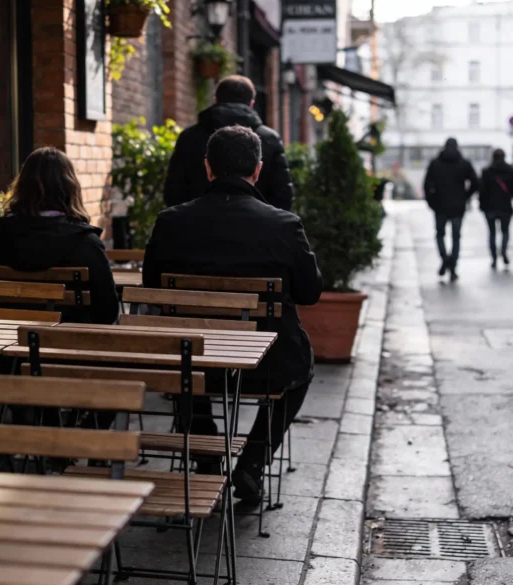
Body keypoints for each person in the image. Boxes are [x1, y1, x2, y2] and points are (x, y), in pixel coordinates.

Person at [144, 125, 322, 502]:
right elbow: (310, 293)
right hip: (267, 363)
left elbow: (152, 287)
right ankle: (252, 462)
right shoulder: (284, 225)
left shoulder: (170, 222)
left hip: (193, 359)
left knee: (185, 364)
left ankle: (207, 456)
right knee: (302, 368)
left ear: (208, 168)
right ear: (258, 170)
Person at [0, 146, 119, 325]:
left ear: (22, 186)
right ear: (70, 187)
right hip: (67, 338)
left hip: (5, 336)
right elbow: (108, 310)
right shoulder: (87, 243)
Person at [163, 76, 294, 211]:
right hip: (257, 222)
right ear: (251, 104)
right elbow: (282, 195)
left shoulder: (189, 137)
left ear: (215, 100)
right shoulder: (270, 138)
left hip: (197, 221)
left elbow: (173, 191)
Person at [423, 138, 478, 281]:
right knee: (456, 237)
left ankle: (445, 259)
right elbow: (475, 182)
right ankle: (452, 265)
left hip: (440, 205)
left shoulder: (435, 164)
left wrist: (431, 201)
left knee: (440, 235)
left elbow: (427, 184)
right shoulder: (464, 163)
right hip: (458, 206)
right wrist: (465, 196)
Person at [479, 149, 513, 269]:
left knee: (492, 233)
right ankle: (503, 249)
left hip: (490, 207)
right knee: (505, 231)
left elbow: (481, 190)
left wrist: (481, 205)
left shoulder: (486, 171)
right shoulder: (510, 171)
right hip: (505, 207)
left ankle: (494, 257)